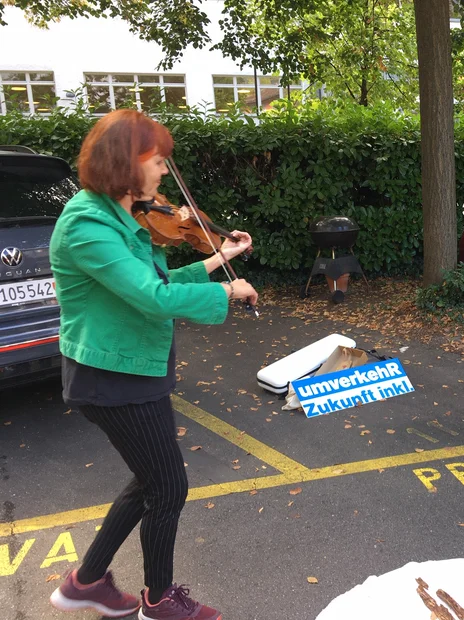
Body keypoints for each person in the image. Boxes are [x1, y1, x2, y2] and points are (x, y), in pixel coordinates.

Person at [48, 109, 258, 619]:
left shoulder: (123, 218)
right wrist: (226, 290)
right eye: (157, 160)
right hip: (112, 378)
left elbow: (158, 284)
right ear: (126, 161)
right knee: (168, 485)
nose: (165, 172)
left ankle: (86, 582)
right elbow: (151, 297)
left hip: (132, 371)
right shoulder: (87, 225)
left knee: (149, 480)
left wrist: (216, 260)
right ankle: (159, 601)